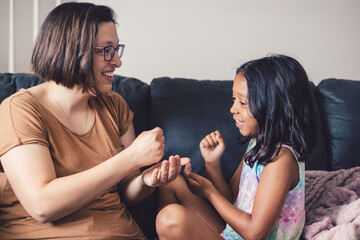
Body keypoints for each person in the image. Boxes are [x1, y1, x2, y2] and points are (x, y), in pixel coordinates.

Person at [0, 2, 188, 239]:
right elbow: (42, 206)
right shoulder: (21, 109)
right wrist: (129, 158)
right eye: (107, 50)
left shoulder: (114, 105)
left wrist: (146, 181)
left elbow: (127, 191)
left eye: (117, 49)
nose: (117, 62)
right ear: (72, 50)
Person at [155, 54, 316, 240]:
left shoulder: (281, 160)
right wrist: (212, 163)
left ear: (274, 107)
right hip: (234, 234)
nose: (233, 109)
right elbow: (233, 199)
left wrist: (209, 192)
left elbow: (255, 233)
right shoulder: (257, 144)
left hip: (248, 235)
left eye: (242, 102)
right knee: (171, 182)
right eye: (234, 100)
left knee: (170, 219)